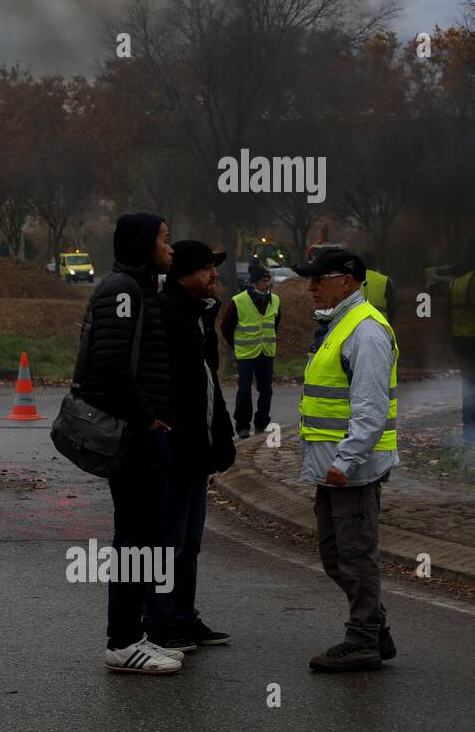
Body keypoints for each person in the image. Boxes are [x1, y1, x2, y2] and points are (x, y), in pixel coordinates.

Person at [80, 212, 179, 674]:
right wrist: (148, 418)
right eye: (164, 238)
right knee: (135, 538)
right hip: (135, 436)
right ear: (144, 244)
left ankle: (133, 635)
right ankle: (122, 641)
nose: (171, 246)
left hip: (146, 434)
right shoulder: (122, 290)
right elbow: (112, 362)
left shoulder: (140, 289)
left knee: (144, 536)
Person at [293, 248, 398, 672]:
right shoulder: (340, 325)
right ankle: (375, 630)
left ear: (349, 281)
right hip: (333, 468)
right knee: (336, 556)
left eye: (321, 278)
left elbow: (369, 409)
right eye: (311, 279)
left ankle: (363, 641)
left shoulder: (366, 331)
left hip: (350, 470)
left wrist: (348, 460)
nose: (312, 287)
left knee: (355, 556)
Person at [146, 241, 237, 653]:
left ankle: (184, 616)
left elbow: (208, 387)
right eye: (206, 269)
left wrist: (221, 438)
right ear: (183, 274)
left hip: (197, 451)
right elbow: (162, 387)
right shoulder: (165, 314)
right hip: (173, 451)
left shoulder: (200, 315)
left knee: (191, 540)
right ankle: (160, 623)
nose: (214, 275)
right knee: (168, 540)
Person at [222, 262, 280, 438]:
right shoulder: (239, 301)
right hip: (246, 354)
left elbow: (275, 323)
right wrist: (236, 345)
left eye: (268, 280)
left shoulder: (275, 300)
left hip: (266, 352)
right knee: (244, 390)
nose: (267, 283)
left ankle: (262, 422)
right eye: (263, 280)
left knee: (266, 390)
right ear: (254, 282)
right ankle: (242, 426)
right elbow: (226, 326)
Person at [450, 248, 475, 444]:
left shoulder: (456, 283)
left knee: (468, 385)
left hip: (461, 340)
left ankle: (469, 430)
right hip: (472, 338)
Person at [359, 252, 396, 323]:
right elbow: (392, 308)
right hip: (381, 326)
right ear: (375, 264)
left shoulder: (353, 280)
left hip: (358, 326)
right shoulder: (385, 280)